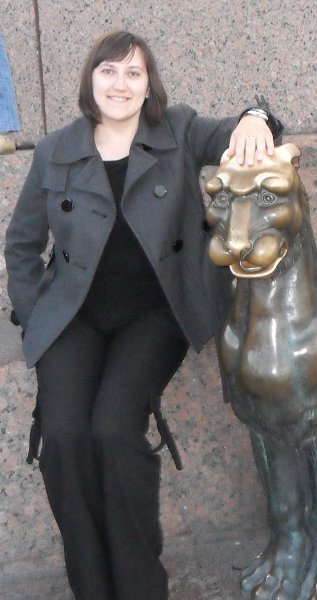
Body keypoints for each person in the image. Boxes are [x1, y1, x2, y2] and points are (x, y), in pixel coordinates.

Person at [4, 31, 282, 600]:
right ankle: (92, 585)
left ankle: (140, 586)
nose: (121, 84)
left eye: (134, 73)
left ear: (149, 85)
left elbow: (246, 130)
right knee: (64, 438)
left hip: (153, 314)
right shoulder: (56, 150)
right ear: (90, 80)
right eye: (109, 71)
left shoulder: (178, 130)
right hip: (73, 316)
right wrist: (36, 319)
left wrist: (256, 118)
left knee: (113, 430)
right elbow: (21, 245)